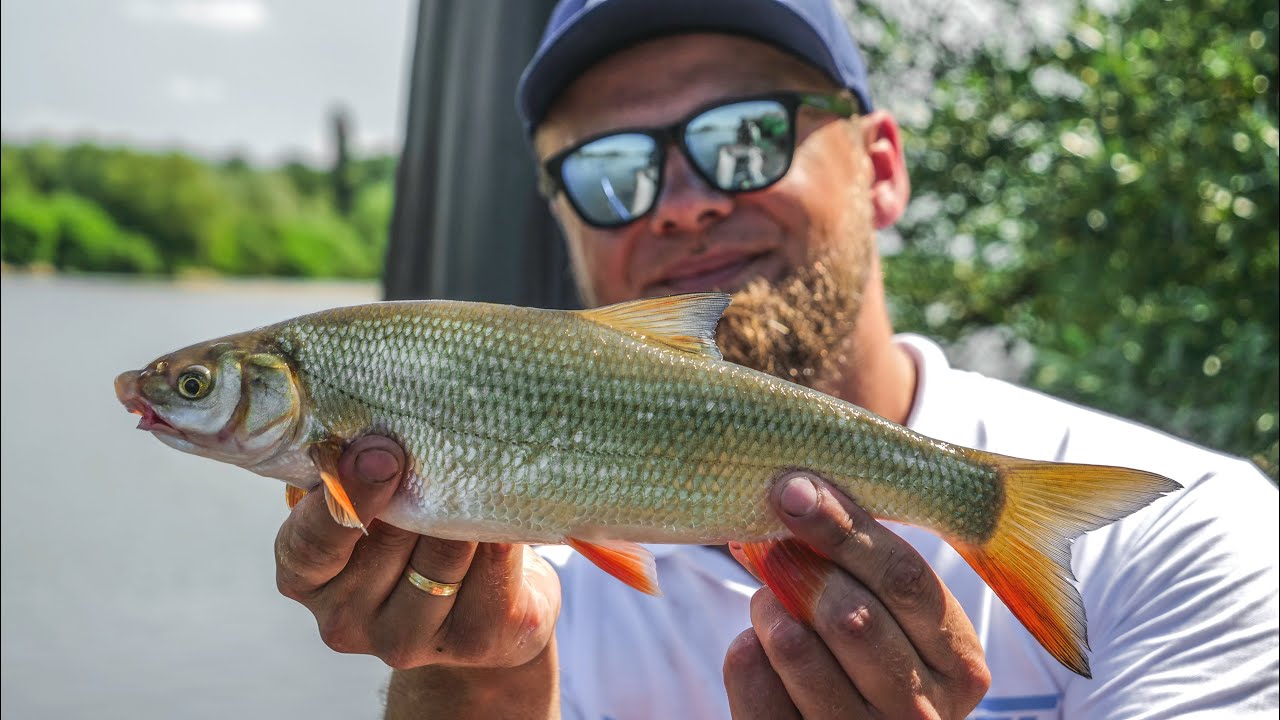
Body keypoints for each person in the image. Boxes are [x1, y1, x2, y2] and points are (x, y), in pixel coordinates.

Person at [272, 1, 1280, 717]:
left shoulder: (1183, 535)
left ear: (880, 167)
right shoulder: (513, 563)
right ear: (564, 222)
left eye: (743, 137)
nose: (682, 203)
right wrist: (472, 684)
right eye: (609, 171)